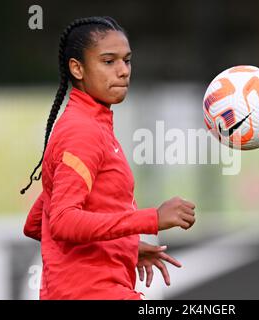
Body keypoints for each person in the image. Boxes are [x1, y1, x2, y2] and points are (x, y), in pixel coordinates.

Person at [20, 16, 196, 300]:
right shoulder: (82, 131)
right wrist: (152, 219)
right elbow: (63, 221)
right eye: (108, 61)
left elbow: (37, 221)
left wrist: (123, 245)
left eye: (126, 60)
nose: (123, 71)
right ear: (77, 68)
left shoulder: (90, 125)